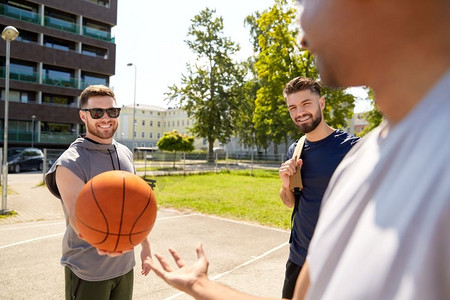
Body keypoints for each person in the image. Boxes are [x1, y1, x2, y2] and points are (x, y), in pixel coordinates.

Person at [149, 0, 450, 299]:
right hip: (300, 253)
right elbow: (291, 205)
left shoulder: (362, 151)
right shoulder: (357, 155)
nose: (302, 38)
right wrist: (200, 285)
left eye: (306, 1)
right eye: (293, 107)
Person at [45, 85, 152, 300]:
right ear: (83, 116)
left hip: (124, 266)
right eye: (97, 113)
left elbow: (135, 207)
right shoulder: (70, 162)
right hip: (88, 270)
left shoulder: (125, 153)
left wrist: (146, 247)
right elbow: (77, 216)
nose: (105, 118)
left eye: (112, 111)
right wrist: (102, 242)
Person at [278, 76, 358, 299]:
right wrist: (286, 186)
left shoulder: (352, 149)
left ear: (321, 103)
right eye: (292, 107)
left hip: (337, 261)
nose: (299, 112)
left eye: (306, 104)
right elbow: (289, 201)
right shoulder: (296, 149)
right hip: (299, 256)